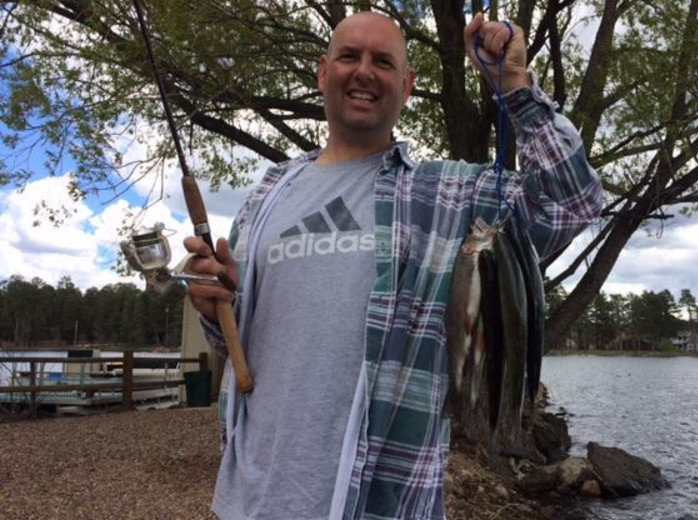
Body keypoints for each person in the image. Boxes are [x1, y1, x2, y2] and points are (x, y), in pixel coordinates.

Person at [184, 10, 603, 520]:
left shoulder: (447, 195)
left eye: (383, 62)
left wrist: (514, 86)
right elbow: (239, 335)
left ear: (406, 87)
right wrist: (214, 306)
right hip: (246, 499)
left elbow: (571, 201)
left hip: (378, 504)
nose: (364, 71)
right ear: (322, 72)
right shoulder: (270, 193)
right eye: (349, 56)